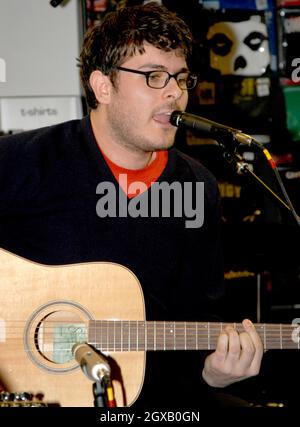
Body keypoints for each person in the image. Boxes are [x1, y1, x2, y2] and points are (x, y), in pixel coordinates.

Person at [0, 2, 263, 409]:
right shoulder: (24, 162)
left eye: (180, 78)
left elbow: (198, 323)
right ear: (103, 87)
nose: (176, 93)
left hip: (154, 401)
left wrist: (212, 372)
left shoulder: (197, 187)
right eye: (154, 77)